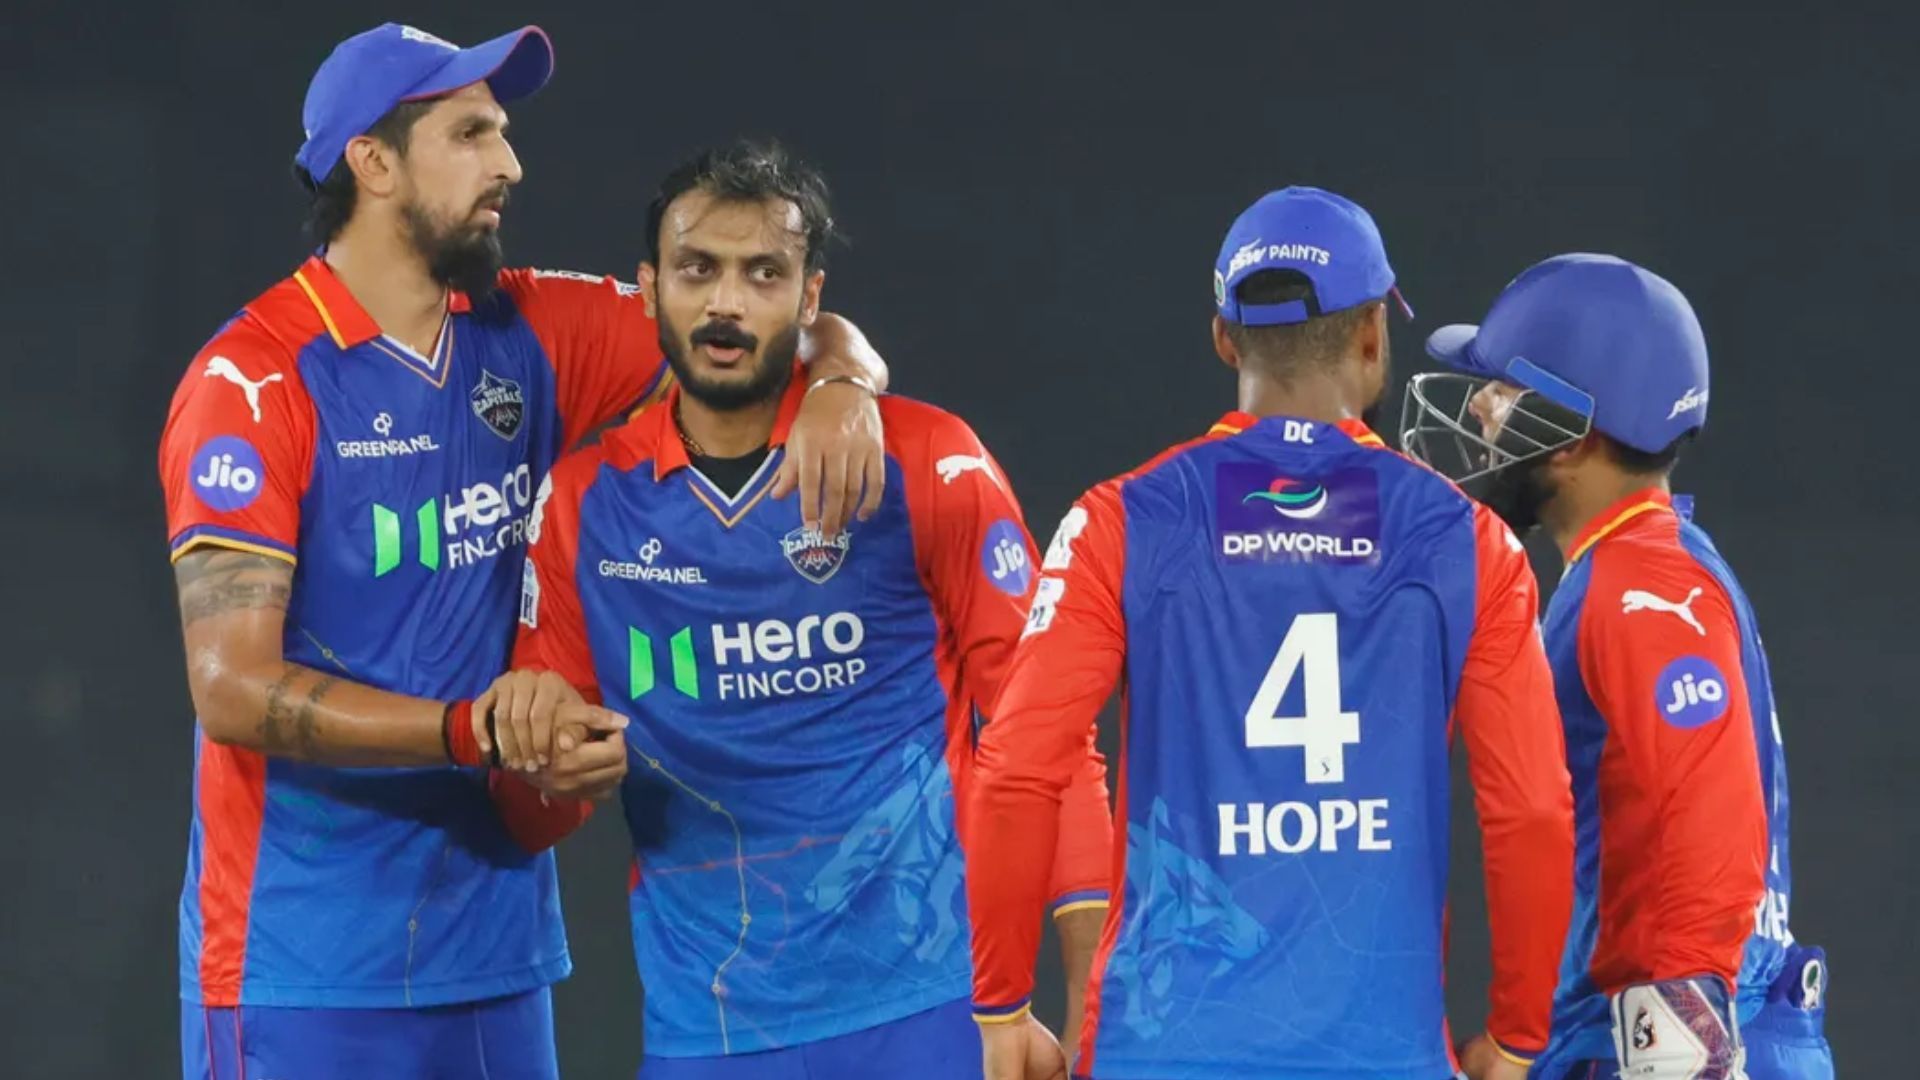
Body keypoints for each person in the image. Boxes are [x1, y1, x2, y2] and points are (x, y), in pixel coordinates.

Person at [158, 24, 889, 1080]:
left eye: (501, 133)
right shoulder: (253, 383)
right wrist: (479, 732)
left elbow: (756, 318)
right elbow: (230, 689)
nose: (511, 163)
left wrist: (843, 383)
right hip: (300, 964)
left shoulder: (529, 330)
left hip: (496, 955)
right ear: (372, 161)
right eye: (471, 134)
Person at [507, 139, 1112, 1078]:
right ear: (648, 287)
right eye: (698, 269)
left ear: (810, 297)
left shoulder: (926, 460)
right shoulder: (587, 505)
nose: (727, 304)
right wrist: (542, 760)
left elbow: (1053, 742)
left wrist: (1093, 1005)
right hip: (707, 1034)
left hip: (930, 1012)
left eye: (764, 274)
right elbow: (543, 799)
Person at [965, 186, 1577, 1080]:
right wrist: (1520, 1034)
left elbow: (1018, 767)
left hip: (1162, 1055)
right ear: (1373, 334)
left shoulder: (1122, 520)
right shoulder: (1467, 541)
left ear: (1224, 339)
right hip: (1384, 1060)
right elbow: (1530, 808)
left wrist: (1001, 1006)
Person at [1402, 253, 1834, 1080]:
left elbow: (1707, 807)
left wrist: (1684, 1053)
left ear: (1578, 434)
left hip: (1663, 1043)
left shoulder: (1642, 585)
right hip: (1640, 1035)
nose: (1483, 410)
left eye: (1504, 390)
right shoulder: (1628, 568)